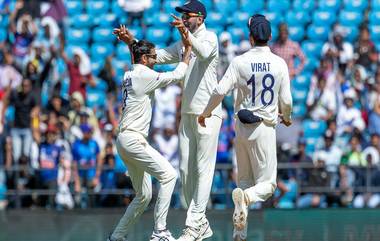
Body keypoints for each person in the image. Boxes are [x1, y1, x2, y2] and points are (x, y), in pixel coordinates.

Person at [116, 1, 222, 240]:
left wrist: (186, 38)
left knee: (203, 169)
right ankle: (199, 222)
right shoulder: (183, 42)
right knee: (184, 169)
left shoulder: (210, 38)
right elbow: (156, 57)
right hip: (187, 112)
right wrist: (133, 43)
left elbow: (203, 54)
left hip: (208, 112)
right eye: (182, 15)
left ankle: (194, 222)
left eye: (188, 15)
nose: (183, 17)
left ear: (200, 18)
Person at [198, 14, 293, 241]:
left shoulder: (239, 61)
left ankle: (239, 235)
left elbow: (220, 90)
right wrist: (287, 117)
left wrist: (206, 112)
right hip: (264, 128)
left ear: (250, 38)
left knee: (243, 183)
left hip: (241, 127)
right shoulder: (279, 63)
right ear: (269, 37)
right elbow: (287, 101)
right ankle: (248, 199)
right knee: (268, 185)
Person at [108, 25, 192, 241]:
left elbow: (138, 61)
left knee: (144, 195)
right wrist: (188, 50)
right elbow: (178, 74)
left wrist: (131, 43)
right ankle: (160, 231)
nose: (156, 60)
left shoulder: (131, 72)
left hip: (124, 140)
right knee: (169, 175)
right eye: (153, 57)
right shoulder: (145, 76)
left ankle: (116, 237)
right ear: (144, 59)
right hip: (134, 139)